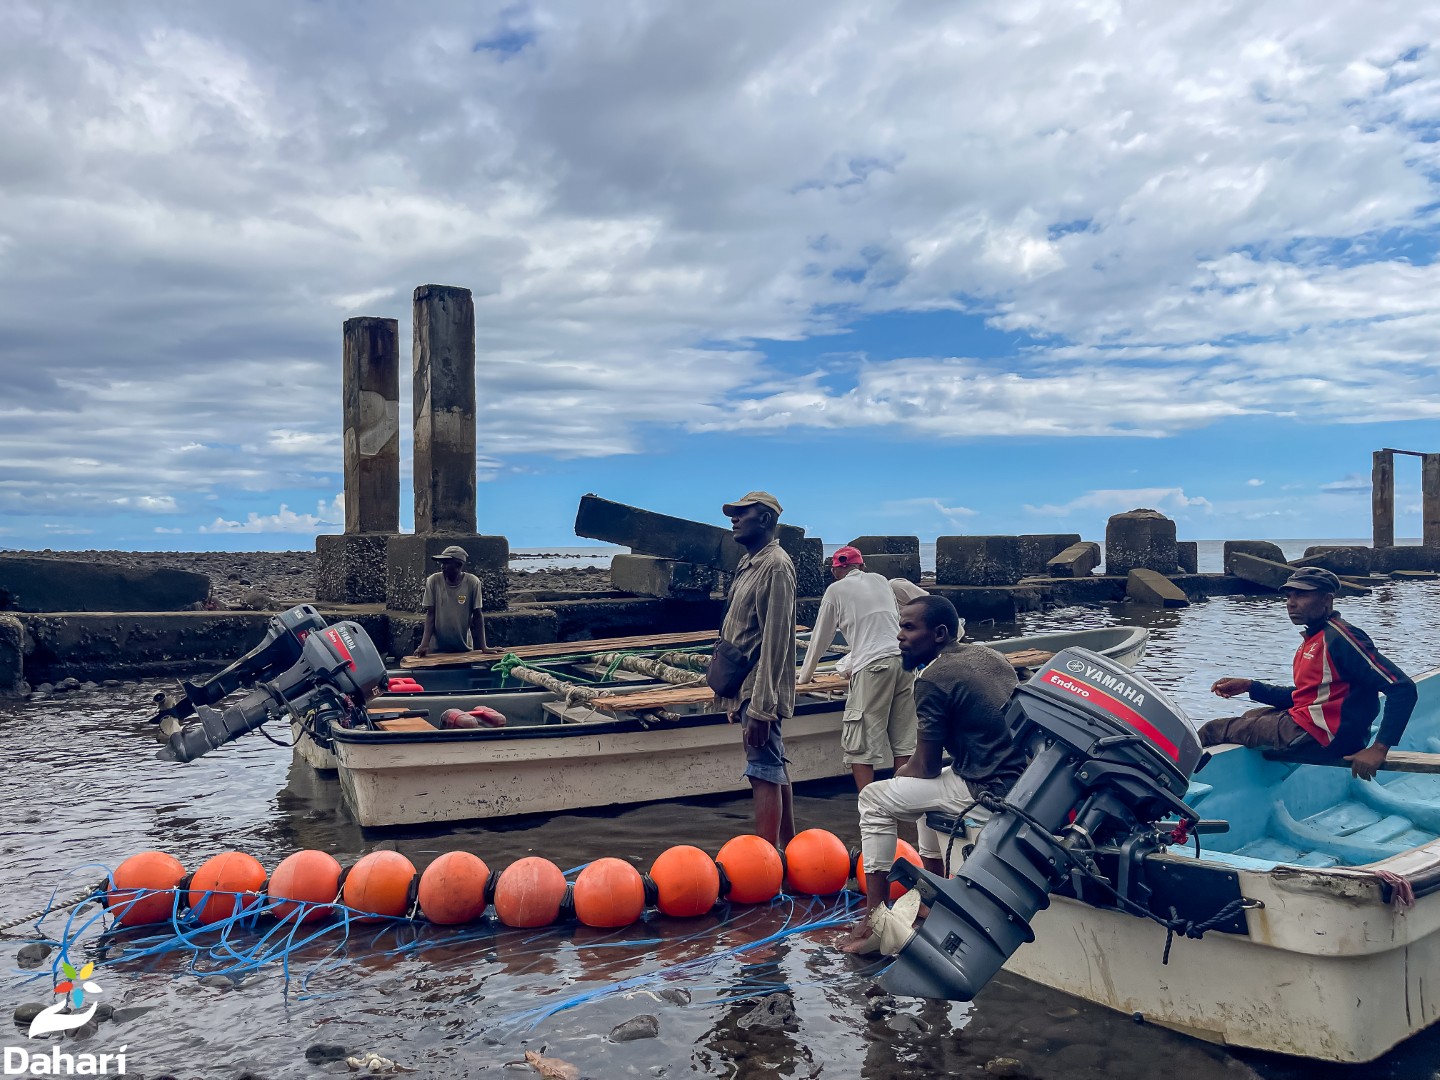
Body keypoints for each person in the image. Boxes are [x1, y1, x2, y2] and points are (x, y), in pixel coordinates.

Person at [843, 594, 1027, 953]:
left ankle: (874, 918)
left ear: (939, 633)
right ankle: (932, 899)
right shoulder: (989, 656)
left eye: (909, 628)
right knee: (927, 792)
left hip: (983, 786)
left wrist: (900, 775)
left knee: (872, 799)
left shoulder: (933, 679)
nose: (900, 636)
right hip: (1016, 778)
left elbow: (925, 766)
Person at [1200, 566, 1416, 780]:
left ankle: (1184, 784)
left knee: (1213, 729)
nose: (1291, 603)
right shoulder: (1315, 637)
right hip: (1320, 732)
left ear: (1326, 600)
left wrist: (1379, 749)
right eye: (1289, 596)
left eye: (1302, 595)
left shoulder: (1341, 638)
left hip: (1321, 737)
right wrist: (1250, 686)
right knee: (1252, 715)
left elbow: (1402, 688)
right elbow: (1309, 696)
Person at [714, 491, 797, 847]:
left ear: (764, 519)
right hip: (745, 686)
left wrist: (761, 709)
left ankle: (768, 858)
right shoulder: (750, 563)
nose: (734, 519)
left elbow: (776, 643)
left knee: (762, 771)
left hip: (760, 690)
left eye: (742, 513)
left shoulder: (775, 566)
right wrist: (735, 698)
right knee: (773, 766)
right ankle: (789, 852)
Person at [797, 546, 917, 791]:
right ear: (862, 566)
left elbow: (821, 638)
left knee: (860, 746)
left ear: (834, 571)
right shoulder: (881, 581)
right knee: (905, 743)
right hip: (905, 661)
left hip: (873, 668)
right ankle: (904, 800)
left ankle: (867, 804)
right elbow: (888, 626)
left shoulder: (835, 590)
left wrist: (804, 677)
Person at [414, 545, 492, 657]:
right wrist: (424, 644)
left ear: (459, 565)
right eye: (442, 563)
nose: (443, 567)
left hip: (463, 648)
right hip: (437, 649)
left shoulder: (473, 582)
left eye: (446, 563)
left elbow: (477, 616)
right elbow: (430, 615)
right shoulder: (433, 581)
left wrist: (484, 647)